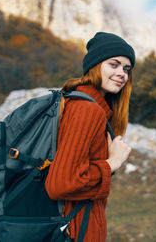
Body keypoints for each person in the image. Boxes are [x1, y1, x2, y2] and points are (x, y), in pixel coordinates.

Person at [45, 32, 135, 242]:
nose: (122, 73)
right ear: (95, 66)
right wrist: (112, 163)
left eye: (127, 69)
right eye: (114, 64)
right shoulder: (87, 110)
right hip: (75, 231)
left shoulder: (91, 108)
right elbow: (61, 184)